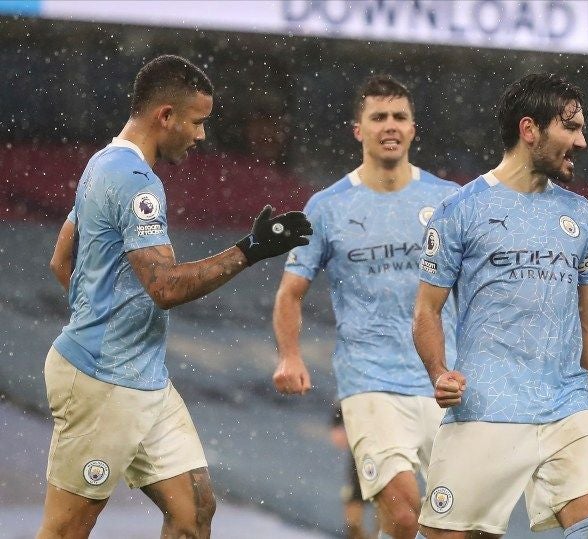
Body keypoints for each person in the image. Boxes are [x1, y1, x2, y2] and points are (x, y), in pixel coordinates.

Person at [38, 54, 312, 539]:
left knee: (194, 513)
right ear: (166, 116)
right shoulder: (135, 181)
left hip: (142, 378)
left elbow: (63, 262)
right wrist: (252, 249)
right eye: (198, 122)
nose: (202, 135)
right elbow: (165, 287)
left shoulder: (103, 161)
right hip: (103, 382)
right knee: (66, 529)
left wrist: (103, 315)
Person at [412, 72, 588, 539]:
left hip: (567, 405)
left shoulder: (578, 213)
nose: (582, 141)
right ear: (529, 130)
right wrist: (438, 373)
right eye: (570, 127)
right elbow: (426, 312)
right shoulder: (460, 210)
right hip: (488, 402)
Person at [271, 75, 459, 539]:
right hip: (369, 381)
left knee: (453, 525)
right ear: (358, 129)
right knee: (403, 513)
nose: (389, 125)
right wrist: (290, 355)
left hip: (442, 379)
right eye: (378, 117)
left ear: (414, 128)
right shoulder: (327, 207)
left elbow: (481, 284)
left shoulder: (449, 200)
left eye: (399, 117)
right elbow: (290, 292)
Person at [330, 405, 377, 539]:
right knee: (354, 516)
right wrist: (337, 421)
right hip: (364, 444)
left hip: (393, 443)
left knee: (389, 505)